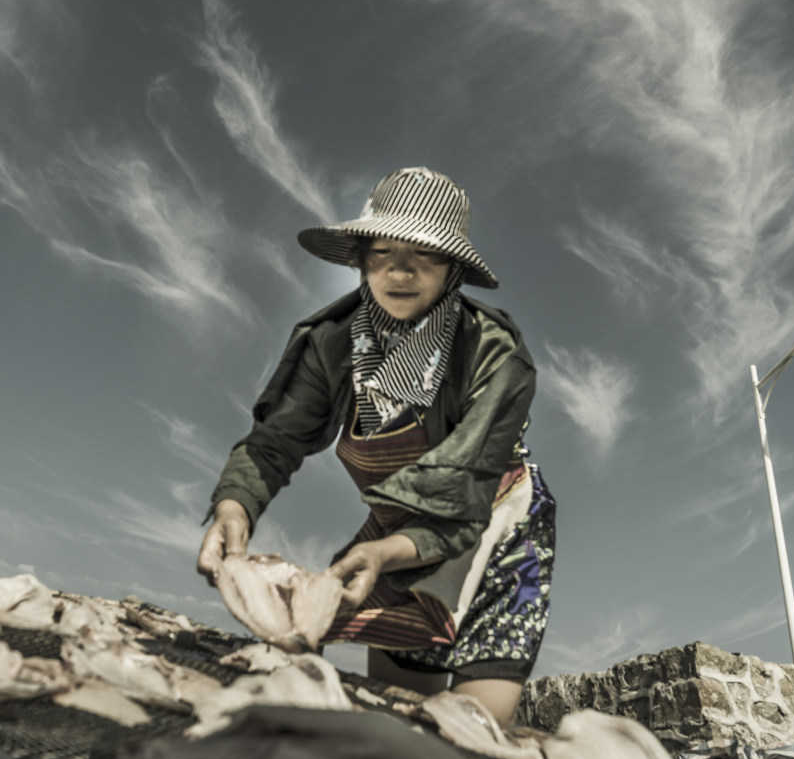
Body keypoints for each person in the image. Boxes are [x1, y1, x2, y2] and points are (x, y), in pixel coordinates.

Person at [196, 167, 554, 727]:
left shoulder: (495, 353)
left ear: (453, 268)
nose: (400, 271)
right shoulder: (331, 343)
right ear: (362, 260)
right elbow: (275, 441)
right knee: (399, 716)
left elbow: (462, 489)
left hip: (500, 523)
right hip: (396, 532)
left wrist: (386, 554)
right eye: (382, 251)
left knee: (472, 729)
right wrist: (234, 506)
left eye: (425, 255)